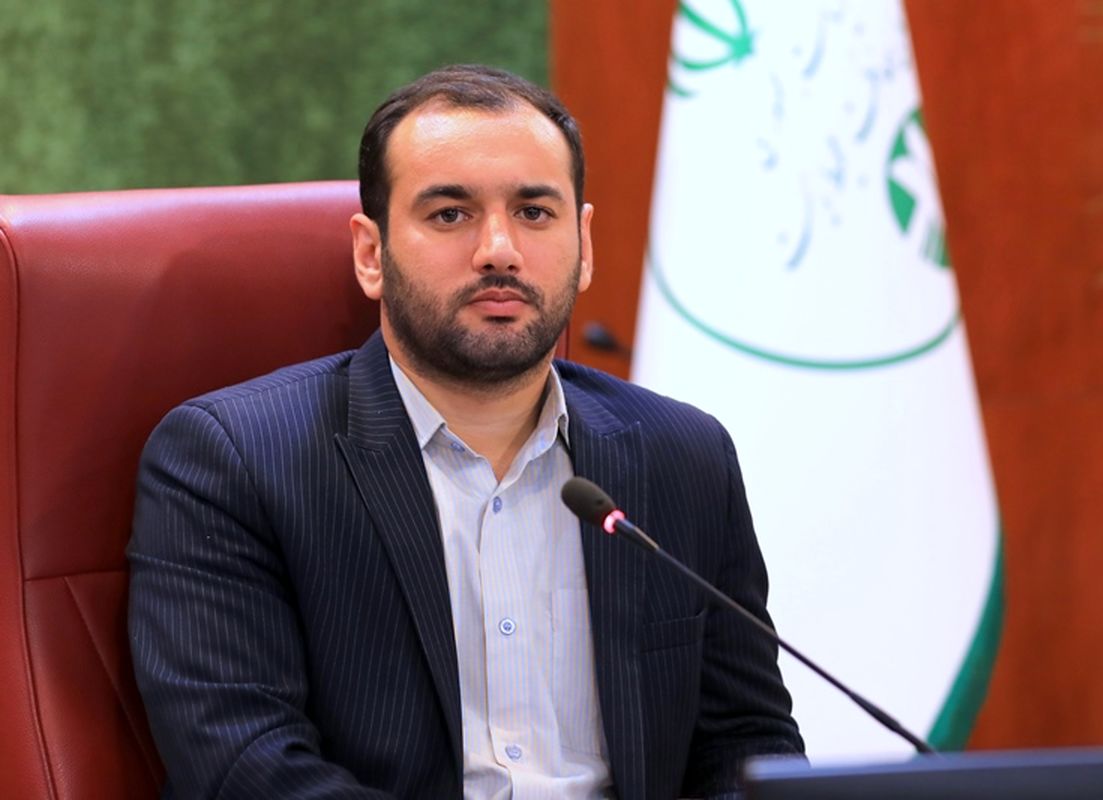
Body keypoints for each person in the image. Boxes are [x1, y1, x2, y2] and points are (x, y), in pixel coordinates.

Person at [128, 64, 803, 800]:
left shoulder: (684, 456)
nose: (499, 250)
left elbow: (748, 746)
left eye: (534, 212)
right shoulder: (231, 461)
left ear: (583, 246)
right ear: (371, 254)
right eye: (451, 214)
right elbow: (245, 767)